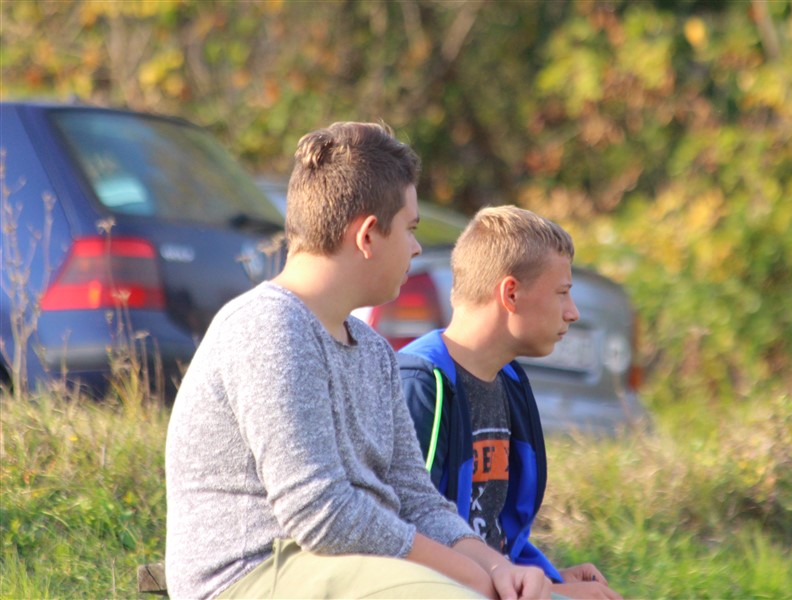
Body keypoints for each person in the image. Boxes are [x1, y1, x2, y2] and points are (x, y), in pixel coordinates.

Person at [165, 124, 553, 600]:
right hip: (255, 575)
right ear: (368, 235)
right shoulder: (268, 327)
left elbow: (416, 498)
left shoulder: (373, 352)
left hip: (348, 566)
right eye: (410, 230)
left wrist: (496, 567)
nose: (415, 248)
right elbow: (321, 514)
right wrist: (466, 577)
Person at [399, 206, 622, 600]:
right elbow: (409, 534)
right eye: (562, 293)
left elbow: (496, 534)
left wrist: (550, 577)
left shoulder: (511, 382)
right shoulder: (422, 385)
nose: (573, 313)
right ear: (511, 293)